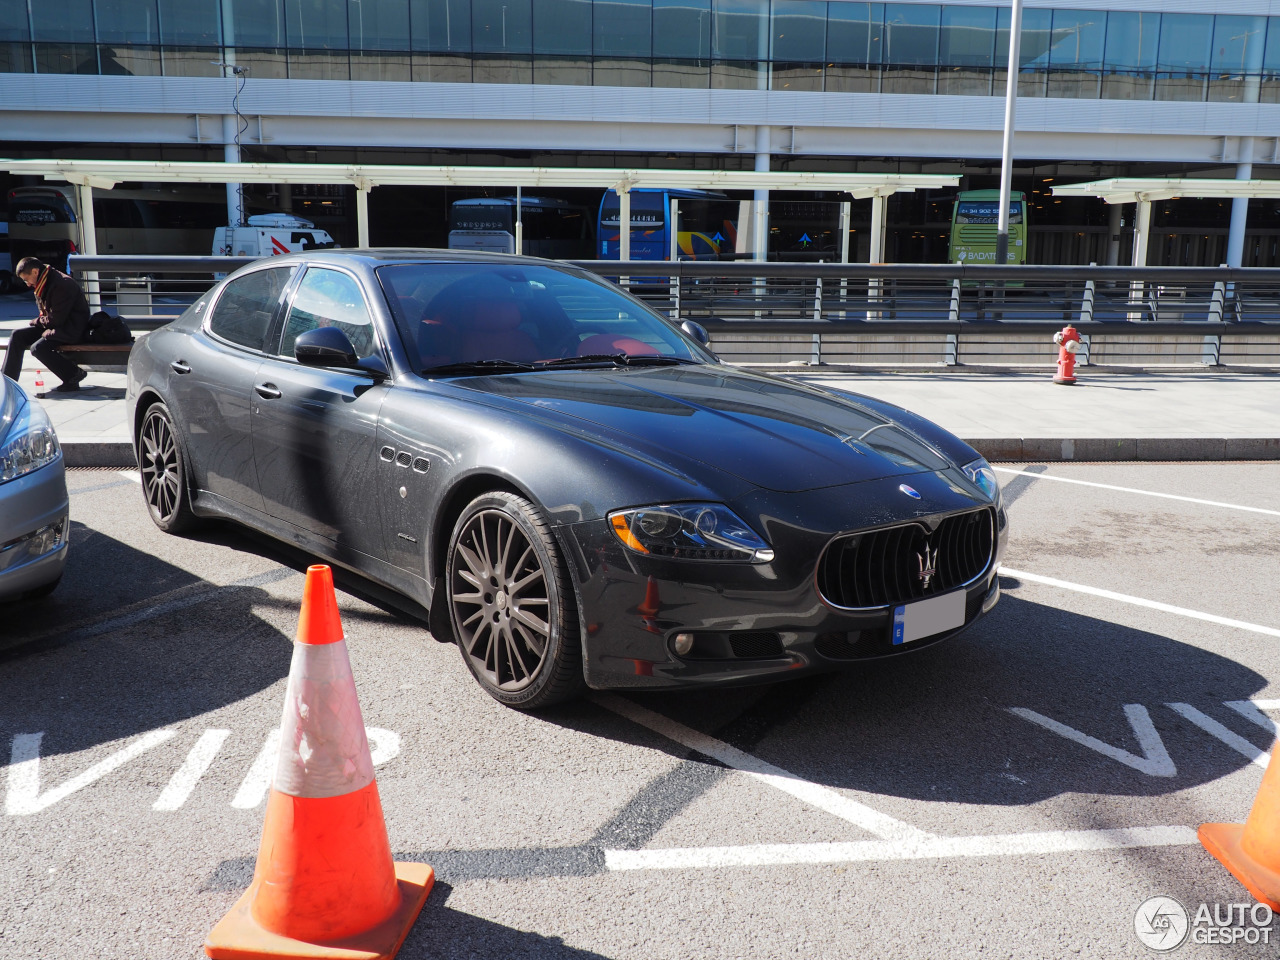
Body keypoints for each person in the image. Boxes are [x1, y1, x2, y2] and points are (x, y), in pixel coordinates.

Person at [2, 257, 90, 392]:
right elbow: (49, 318)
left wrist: (36, 322)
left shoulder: (62, 284)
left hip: (71, 328)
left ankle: (73, 374)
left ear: (35, 271)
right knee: (17, 335)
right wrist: (40, 323)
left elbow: (56, 320)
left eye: (26, 279)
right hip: (55, 326)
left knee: (38, 348)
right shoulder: (43, 282)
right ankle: (8, 383)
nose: (27, 284)